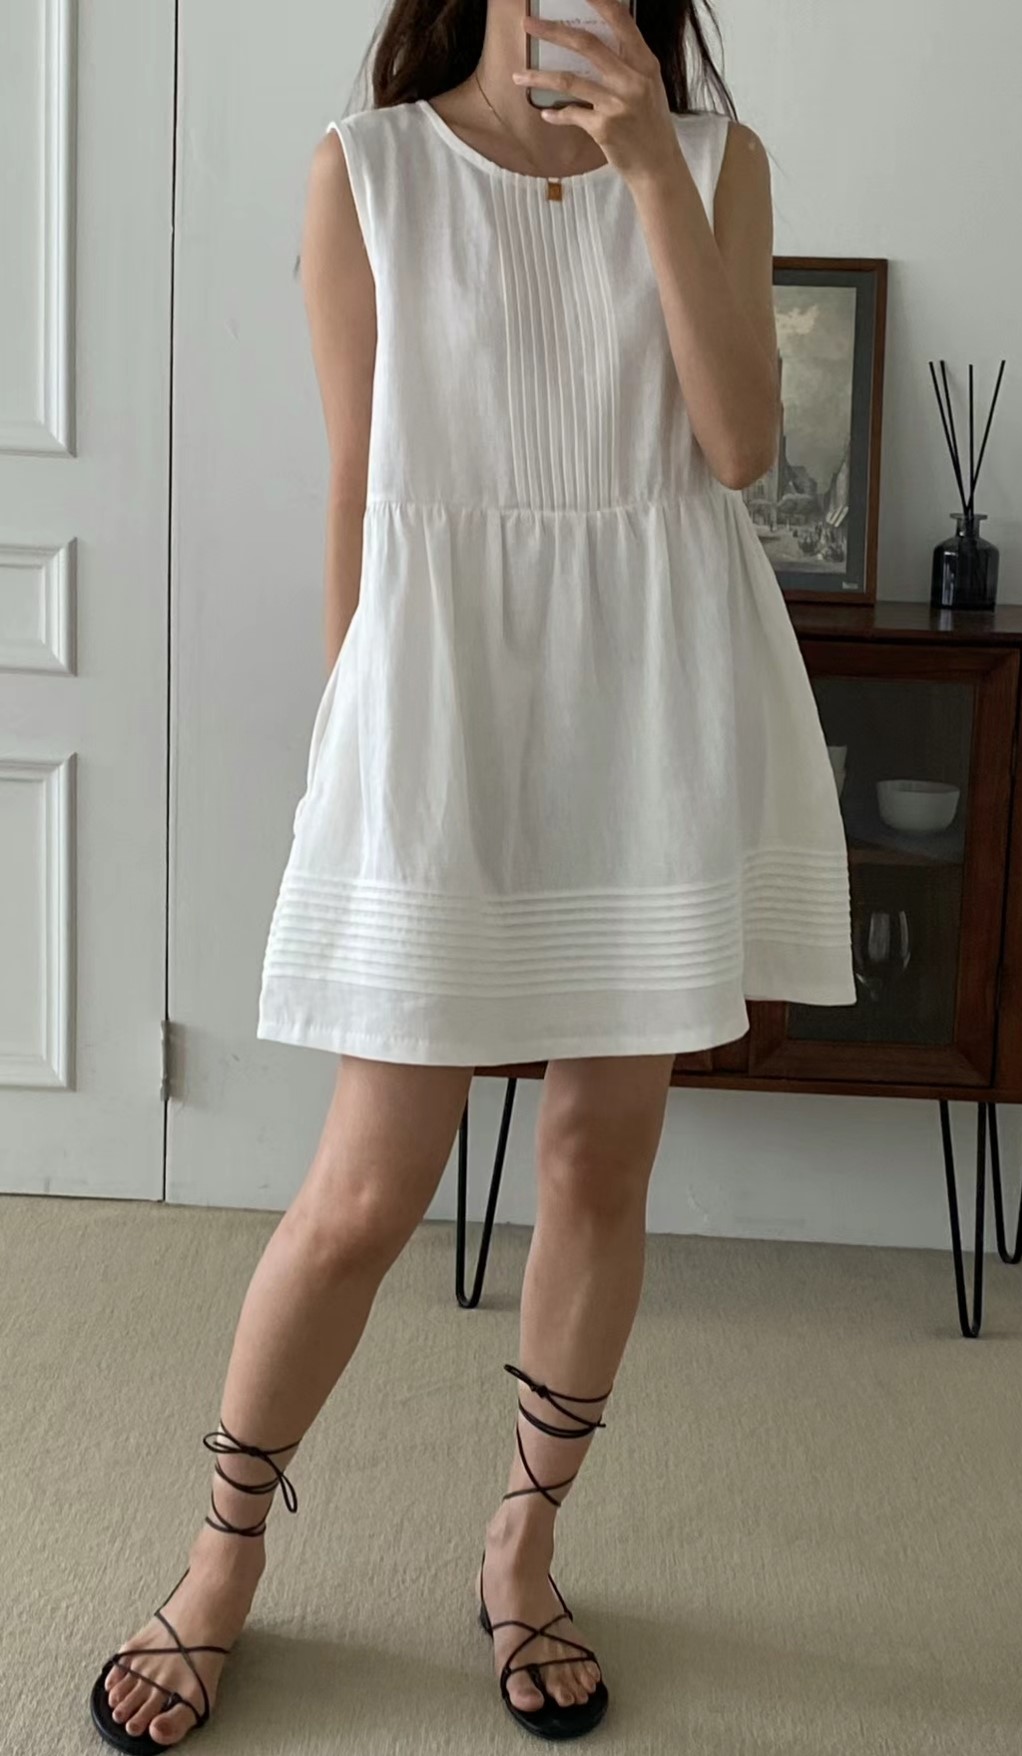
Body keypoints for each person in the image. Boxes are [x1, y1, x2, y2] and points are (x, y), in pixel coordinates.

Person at [89, 0, 854, 1747]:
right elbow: (360, 487)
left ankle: (525, 1546)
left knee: (599, 1156)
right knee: (366, 1190)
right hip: (445, 705)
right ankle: (221, 1553)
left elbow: (741, 449)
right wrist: (350, 756)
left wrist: (649, 163)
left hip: (655, 704)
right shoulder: (365, 170)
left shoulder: (718, 162)